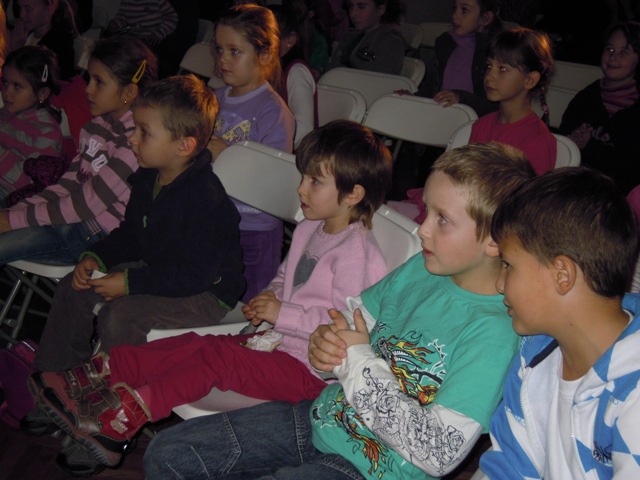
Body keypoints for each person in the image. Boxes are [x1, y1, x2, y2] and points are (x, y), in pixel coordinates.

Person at [143, 142, 536, 480]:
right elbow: (353, 319)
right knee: (168, 453)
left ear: (495, 240)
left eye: (443, 219)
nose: (423, 229)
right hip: (322, 417)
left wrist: (356, 359)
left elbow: (438, 452)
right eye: (427, 212)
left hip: (374, 469)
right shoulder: (421, 268)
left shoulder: (495, 333)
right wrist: (325, 346)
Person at [30, 119, 393, 469]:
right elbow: (286, 278)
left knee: (217, 361)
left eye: (315, 181)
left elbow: (345, 328)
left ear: (353, 194)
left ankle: (122, 419)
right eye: (303, 177)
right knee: (195, 345)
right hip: (277, 344)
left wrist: (281, 314)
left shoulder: (356, 255)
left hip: (312, 372)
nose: (301, 188)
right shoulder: (310, 227)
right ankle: (100, 375)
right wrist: (267, 300)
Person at [473, 167, 640, 479]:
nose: (499, 283)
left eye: (508, 265)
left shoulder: (633, 393)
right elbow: (508, 465)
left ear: (562, 275)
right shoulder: (534, 357)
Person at [0, 36, 157, 266]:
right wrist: (16, 211)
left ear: (129, 92)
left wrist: (14, 220)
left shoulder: (134, 143)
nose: (88, 89)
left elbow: (87, 204)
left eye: (98, 81)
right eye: (89, 79)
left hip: (95, 233)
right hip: (70, 217)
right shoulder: (95, 127)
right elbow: (66, 185)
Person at [210, 4, 295, 302]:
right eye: (220, 49)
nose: (223, 59)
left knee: (251, 306)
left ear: (265, 54)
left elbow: (271, 188)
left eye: (235, 51)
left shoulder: (273, 113)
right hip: (213, 219)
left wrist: (227, 157)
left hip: (253, 229)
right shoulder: (213, 100)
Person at [558, 21, 640, 195]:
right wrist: (571, 144)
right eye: (609, 49)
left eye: (623, 52)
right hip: (573, 190)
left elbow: (630, 170)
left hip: (616, 199)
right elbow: (563, 144)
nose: (613, 57)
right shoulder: (585, 98)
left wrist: (590, 146)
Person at [469, 28, 557, 175]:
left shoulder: (537, 139)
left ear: (530, 80)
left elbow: (532, 189)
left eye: (502, 69)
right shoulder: (481, 126)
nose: (489, 76)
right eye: (489, 66)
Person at [0, 45, 63, 206]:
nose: (6, 92)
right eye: (5, 83)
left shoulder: (47, 132)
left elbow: (34, 182)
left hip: (9, 195)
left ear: (42, 93)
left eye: (17, 86)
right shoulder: (4, 113)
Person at [423, 0, 501, 117]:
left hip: (474, 121)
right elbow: (431, 86)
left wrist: (462, 98)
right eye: (454, 9)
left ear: (485, 18)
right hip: (439, 114)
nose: (454, 16)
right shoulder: (445, 44)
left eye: (464, 10)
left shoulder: (493, 53)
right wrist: (411, 97)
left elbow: (496, 107)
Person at [270, 3, 317, 147]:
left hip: (286, 153)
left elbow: (303, 130)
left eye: (269, 38)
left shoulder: (297, 72)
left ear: (290, 40)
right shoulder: (262, 69)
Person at [328, 0, 406, 75]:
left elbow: (378, 80)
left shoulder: (391, 42)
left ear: (380, 10)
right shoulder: (350, 36)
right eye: (351, 6)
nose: (353, 14)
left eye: (361, 7)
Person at [11, 0, 79, 80]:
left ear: (50, 8)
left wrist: (20, 51)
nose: (21, 15)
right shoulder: (24, 35)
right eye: (19, 8)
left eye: (28, 8)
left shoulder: (59, 43)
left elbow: (41, 80)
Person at [103, 0, 177, 50]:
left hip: (151, 39)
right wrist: (115, 24)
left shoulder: (158, 1)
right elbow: (122, 17)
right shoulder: (126, 1)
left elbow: (172, 17)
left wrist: (158, 33)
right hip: (131, 38)